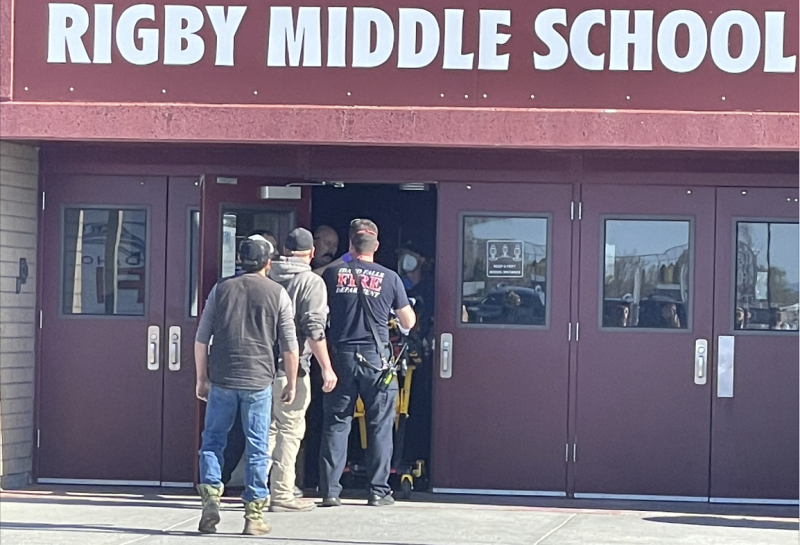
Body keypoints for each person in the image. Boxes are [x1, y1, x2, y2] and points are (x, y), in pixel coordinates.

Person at [194, 236, 300, 536]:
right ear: (268, 263)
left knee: (213, 441)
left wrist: (201, 378)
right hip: (258, 380)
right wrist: (291, 382)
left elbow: (201, 339)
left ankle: (211, 499)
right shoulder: (277, 293)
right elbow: (290, 345)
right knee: (257, 447)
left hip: (223, 378)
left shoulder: (220, 289)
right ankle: (254, 515)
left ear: (240, 260)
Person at [319, 219, 416, 507]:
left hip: (341, 358)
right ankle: (377, 491)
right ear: (376, 247)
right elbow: (408, 322)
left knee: (337, 423)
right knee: (380, 426)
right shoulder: (390, 278)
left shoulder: (333, 274)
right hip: (377, 359)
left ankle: (330, 492)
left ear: (351, 245)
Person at [267, 228, 339, 512]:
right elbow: (314, 329)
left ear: (285, 250)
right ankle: (282, 494)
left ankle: (257, 491)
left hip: (260, 368)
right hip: (292, 370)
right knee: (289, 430)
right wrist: (327, 367)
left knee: (265, 431)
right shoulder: (311, 282)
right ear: (311, 253)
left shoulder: (266, 275)